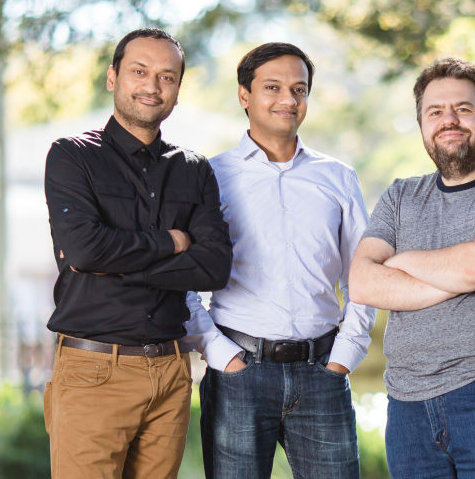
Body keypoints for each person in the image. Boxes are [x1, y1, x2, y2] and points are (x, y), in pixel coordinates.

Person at [349, 57, 475, 479]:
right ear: (423, 125)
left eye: (463, 109)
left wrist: (402, 262)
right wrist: (458, 271)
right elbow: (362, 282)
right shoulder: (400, 197)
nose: (449, 120)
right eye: (435, 111)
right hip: (408, 403)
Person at [42, 28, 232, 479]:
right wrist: (170, 242)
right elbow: (85, 249)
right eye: (139, 72)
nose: (152, 86)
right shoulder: (72, 156)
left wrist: (120, 265)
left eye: (167, 77)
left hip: (170, 371)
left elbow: (214, 265)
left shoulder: (194, 169)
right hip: (93, 370)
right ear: (113, 78)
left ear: (178, 91)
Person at [184, 42, 375, 478]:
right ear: (244, 95)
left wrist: (344, 355)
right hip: (238, 374)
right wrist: (219, 354)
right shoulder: (209, 177)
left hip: (323, 371)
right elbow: (183, 280)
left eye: (299, 89)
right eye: (273, 87)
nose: (288, 100)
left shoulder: (338, 178)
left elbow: (363, 274)